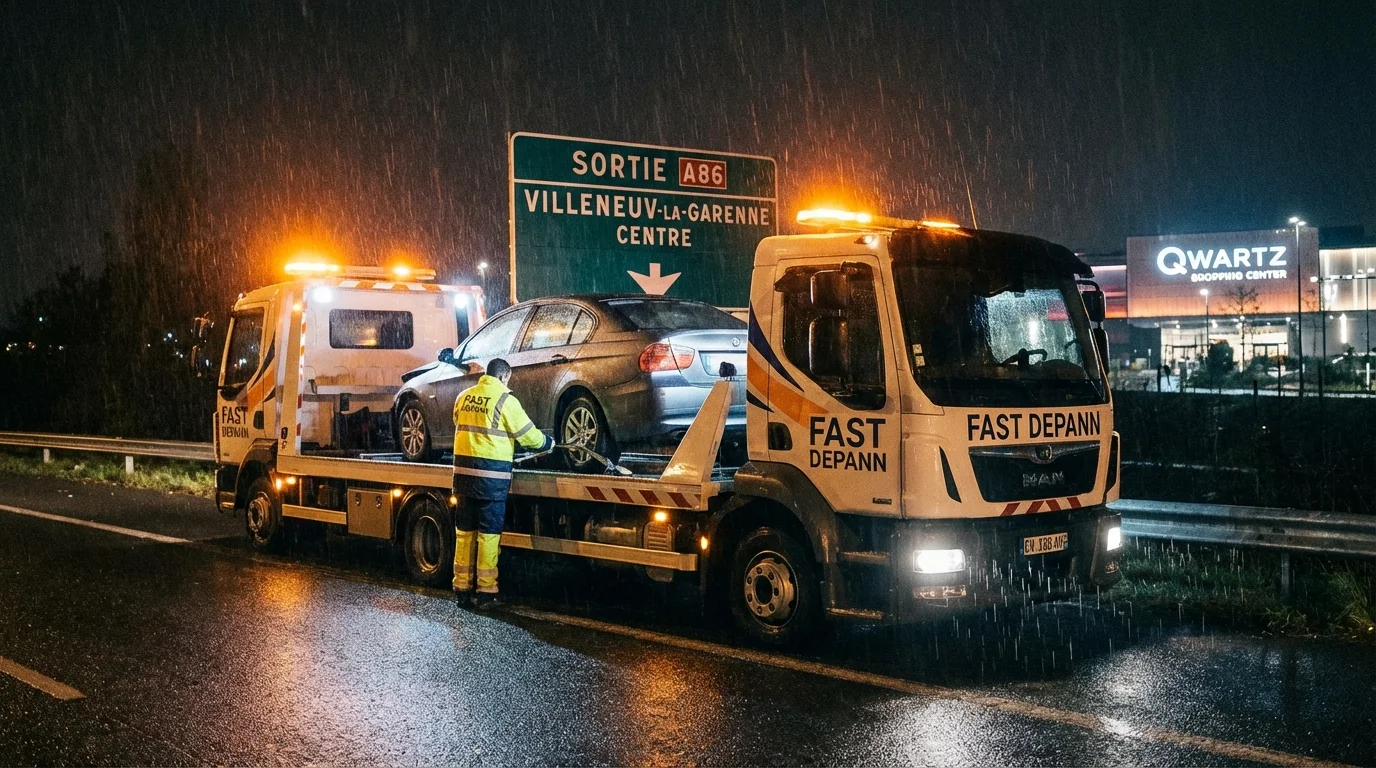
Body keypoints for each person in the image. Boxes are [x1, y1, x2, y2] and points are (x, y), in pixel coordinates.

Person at [451, 357, 553, 608]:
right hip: (491, 479)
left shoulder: (464, 396)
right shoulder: (506, 400)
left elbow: (458, 422)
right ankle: (486, 592)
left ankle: (461, 589)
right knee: (488, 535)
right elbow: (528, 436)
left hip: (464, 476)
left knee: (464, 533)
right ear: (505, 377)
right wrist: (547, 444)